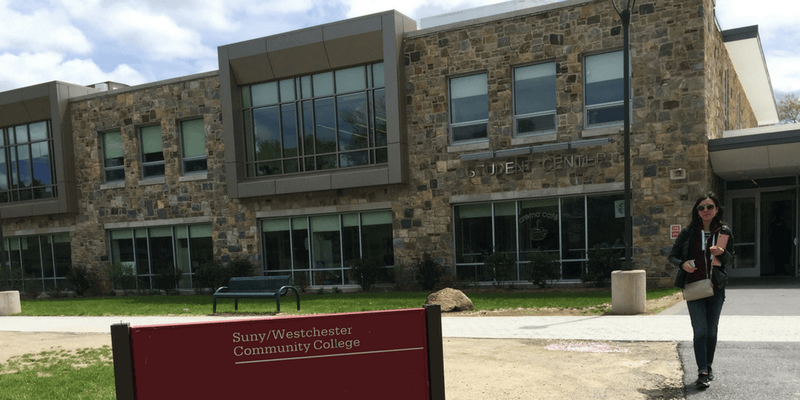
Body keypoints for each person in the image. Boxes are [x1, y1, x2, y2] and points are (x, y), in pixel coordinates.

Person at [668, 192, 734, 388]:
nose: (705, 210)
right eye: (701, 207)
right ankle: (702, 372)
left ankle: (708, 366)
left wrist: (723, 253)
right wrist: (683, 265)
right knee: (700, 331)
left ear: (716, 209)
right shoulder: (688, 233)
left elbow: (730, 260)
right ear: (697, 211)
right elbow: (672, 256)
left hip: (716, 288)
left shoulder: (723, 232)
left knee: (712, 332)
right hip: (695, 287)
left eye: (709, 207)